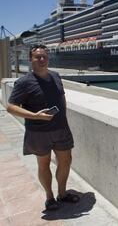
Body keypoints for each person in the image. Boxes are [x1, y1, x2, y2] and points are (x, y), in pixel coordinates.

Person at [7, 44, 79, 211]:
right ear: (30, 59)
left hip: (61, 129)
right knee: (43, 164)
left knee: (66, 161)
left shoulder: (55, 76)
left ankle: (62, 194)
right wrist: (36, 116)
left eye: (44, 56)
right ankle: (50, 197)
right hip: (38, 132)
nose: (41, 59)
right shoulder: (24, 82)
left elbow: (62, 98)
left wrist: (64, 120)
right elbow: (11, 106)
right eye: (37, 57)